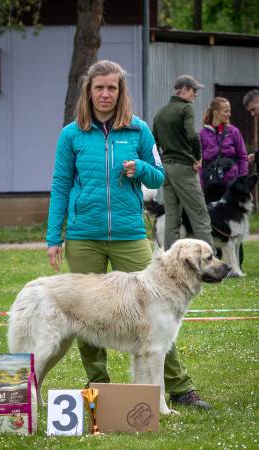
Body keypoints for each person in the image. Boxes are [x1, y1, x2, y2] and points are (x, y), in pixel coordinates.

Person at [46, 61, 210, 410]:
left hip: (129, 233)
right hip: (83, 235)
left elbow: (159, 177)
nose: (105, 94)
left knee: (160, 311)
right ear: (88, 92)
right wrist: (53, 237)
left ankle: (180, 388)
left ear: (121, 92)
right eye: (98, 88)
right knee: (84, 313)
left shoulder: (138, 131)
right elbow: (60, 185)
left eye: (112, 88)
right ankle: (99, 389)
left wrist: (141, 169)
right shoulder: (71, 134)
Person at [152, 74, 214, 252]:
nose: (196, 94)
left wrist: (159, 164)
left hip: (166, 168)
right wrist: (197, 157)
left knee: (172, 217)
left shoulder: (160, 113)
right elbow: (192, 135)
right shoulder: (185, 109)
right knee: (200, 215)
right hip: (184, 168)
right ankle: (210, 262)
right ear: (184, 89)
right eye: (194, 90)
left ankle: (170, 260)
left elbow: (153, 143)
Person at [199, 97, 248, 203]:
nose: (229, 114)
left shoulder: (234, 131)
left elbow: (243, 157)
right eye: (226, 111)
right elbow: (199, 161)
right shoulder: (203, 133)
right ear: (216, 113)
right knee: (212, 217)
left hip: (231, 184)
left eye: (229, 111)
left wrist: (242, 179)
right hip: (211, 184)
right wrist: (201, 183)